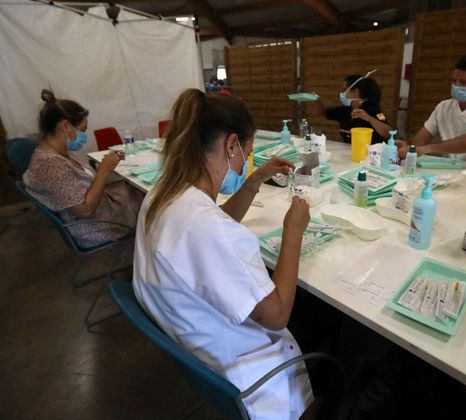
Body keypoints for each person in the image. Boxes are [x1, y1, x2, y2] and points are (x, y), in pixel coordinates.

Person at [133, 89, 315, 420]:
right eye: (246, 153)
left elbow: (214, 227)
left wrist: (254, 180)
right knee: (319, 316)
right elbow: (276, 315)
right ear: (230, 146)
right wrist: (293, 232)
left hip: (199, 344)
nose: (247, 161)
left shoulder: (164, 193)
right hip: (248, 375)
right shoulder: (208, 227)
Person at [23, 89, 143, 249]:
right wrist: (103, 171)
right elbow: (85, 210)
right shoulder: (50, 164)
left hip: (103, 211)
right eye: (83, 130)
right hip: (97, 226)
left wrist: (102, 168)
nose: (84, 136)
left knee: (140, 192)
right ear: (65, 126)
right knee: (155, 202)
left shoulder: (53, 154)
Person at [398, 54, 466, 163]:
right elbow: (421, 138)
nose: (456, 85)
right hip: (448, 168)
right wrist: (408, 146)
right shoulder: (443, 107)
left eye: (463, 82)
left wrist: (428, 148)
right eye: (454, 81)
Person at [314, 73, 393, 144]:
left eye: (344, 90)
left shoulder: (377, 112)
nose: (342, 93)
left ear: (356, 92)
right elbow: (324, 113)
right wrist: (316, 99)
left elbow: (389, 133)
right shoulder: (344, 110)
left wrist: (369, 118)